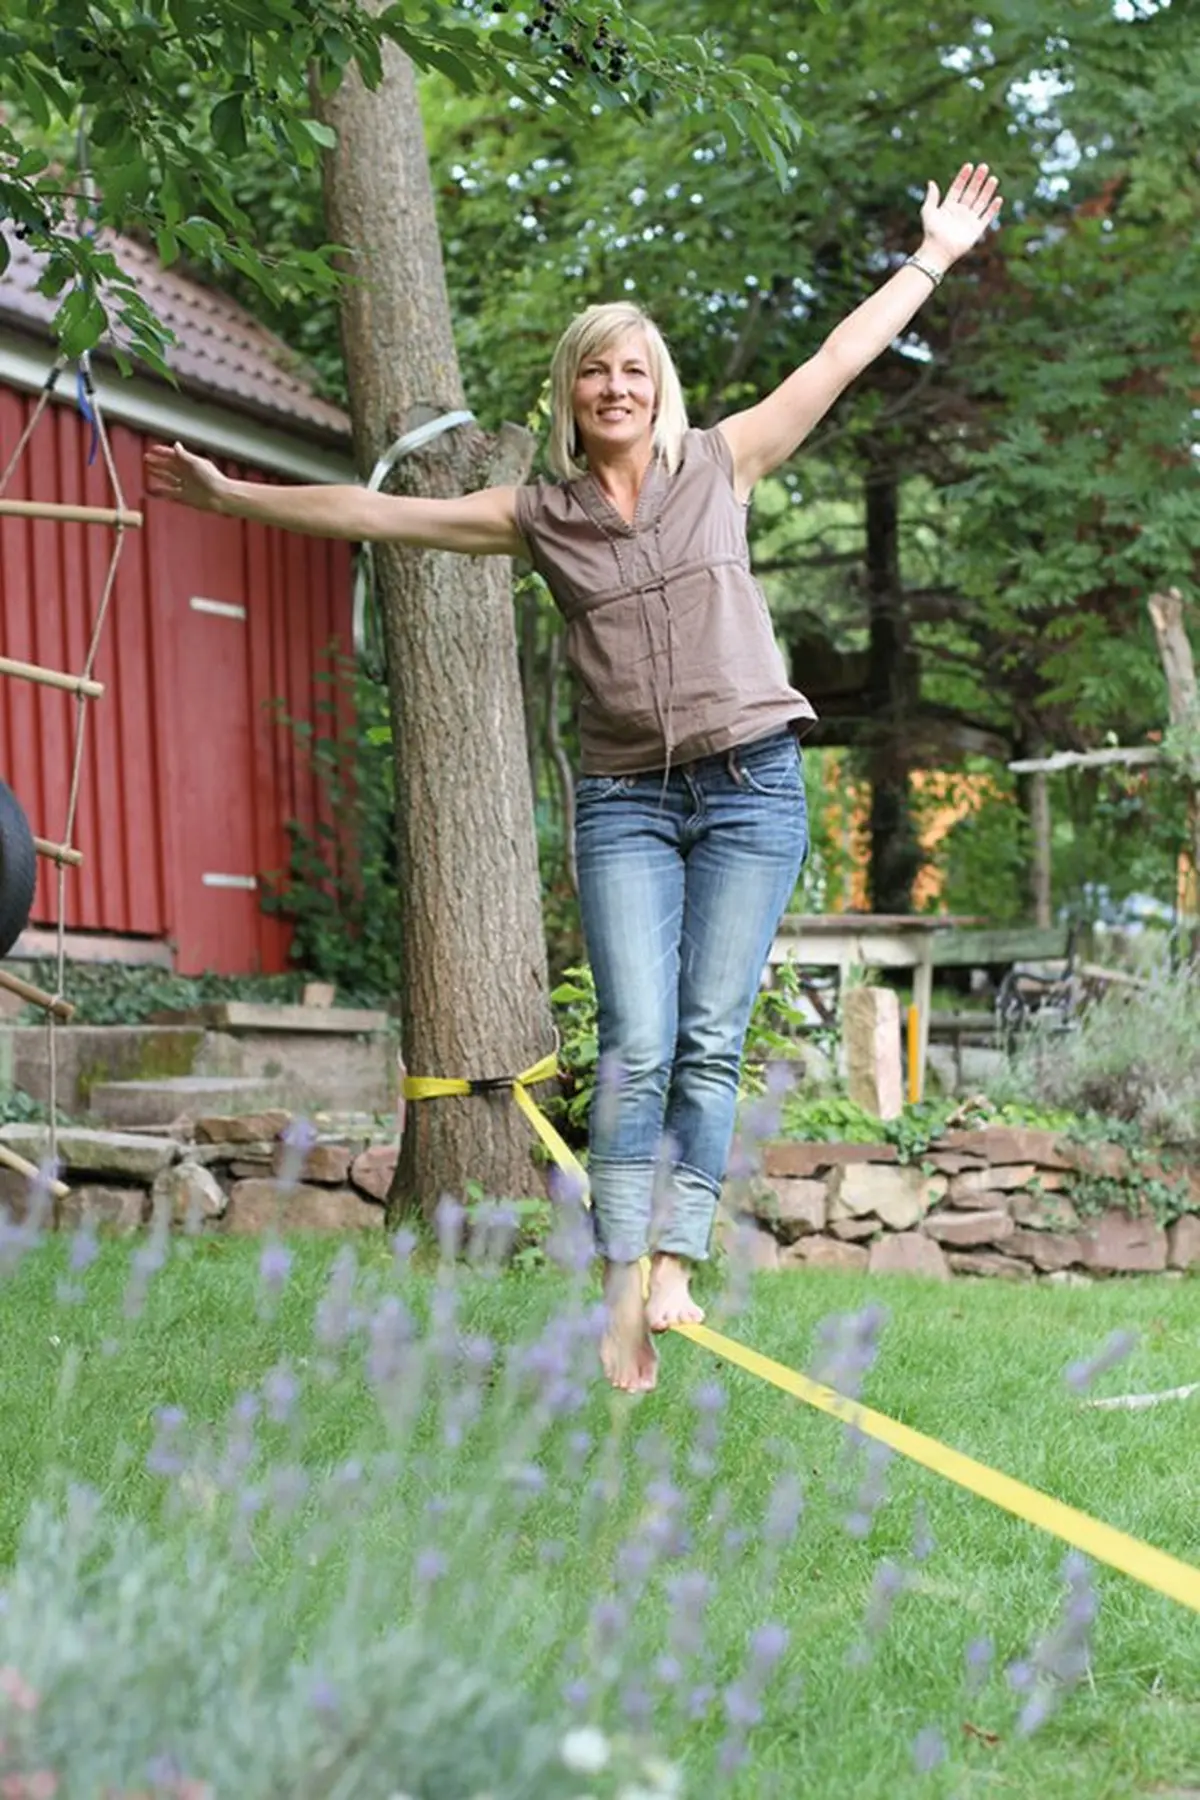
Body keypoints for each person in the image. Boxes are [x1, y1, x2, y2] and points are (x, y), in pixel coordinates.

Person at [146, 162, 1002, 1393]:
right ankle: (617, 1293)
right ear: (569, 392)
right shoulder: (534, 514)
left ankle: (678, 1263)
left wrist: (934, 255)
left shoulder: (726, 462)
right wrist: (235, 494)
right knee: (638, 1043)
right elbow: (376, 519)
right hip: (627, 805)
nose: (615, 385)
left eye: (634, 368)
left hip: (754, 787)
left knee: (709, 1035)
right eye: (594, 369)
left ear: (660, 390)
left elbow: (837, 359)